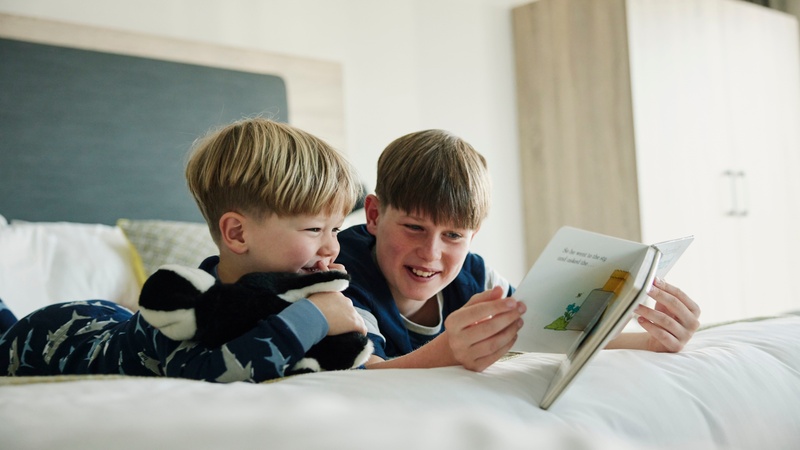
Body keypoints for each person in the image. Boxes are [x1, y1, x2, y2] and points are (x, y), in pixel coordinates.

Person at [0, 118, 366, 382]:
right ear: (237, 233)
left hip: (109, 315)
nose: (332, 246)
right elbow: (208, 373)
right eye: (315, 229)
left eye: (335, 228)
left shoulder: (291, 296)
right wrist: (314, 318)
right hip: (53, 337)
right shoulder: (186, 303)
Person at [336, 129, 701, 372]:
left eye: (453, 235)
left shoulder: (475, 276)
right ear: (373, 214)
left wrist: (650, 342)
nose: (431, 253)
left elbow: (545, 335)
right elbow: (366, 374)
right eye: (414, 228)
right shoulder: (340, 276)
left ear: (473, 235)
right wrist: (447, 353)